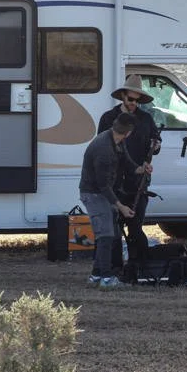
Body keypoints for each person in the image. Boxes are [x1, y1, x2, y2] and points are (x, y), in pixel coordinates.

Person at [79, 112, 151, 289]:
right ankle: (106, 278)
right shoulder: (104, 150)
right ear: (129, 132)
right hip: (94, 194)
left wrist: (141, 169)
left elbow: (127, 163)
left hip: (103, 193)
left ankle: (95, 276)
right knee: (106, 236)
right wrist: (121, 207)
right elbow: (103, 186)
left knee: (109, 233)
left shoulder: (116, 139)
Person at [97, 75, 162, 261]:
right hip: (114, 182)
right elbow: (101, 147)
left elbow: (156, 143)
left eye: (137, 100)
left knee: (135, 226)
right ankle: (114, 268)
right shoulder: (108, 118)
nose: (134, 103)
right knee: (113, 229)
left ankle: (138, 266)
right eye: (130, 99)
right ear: (123, 97)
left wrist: (155, 146)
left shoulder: (146, 118)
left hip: (138, 183)